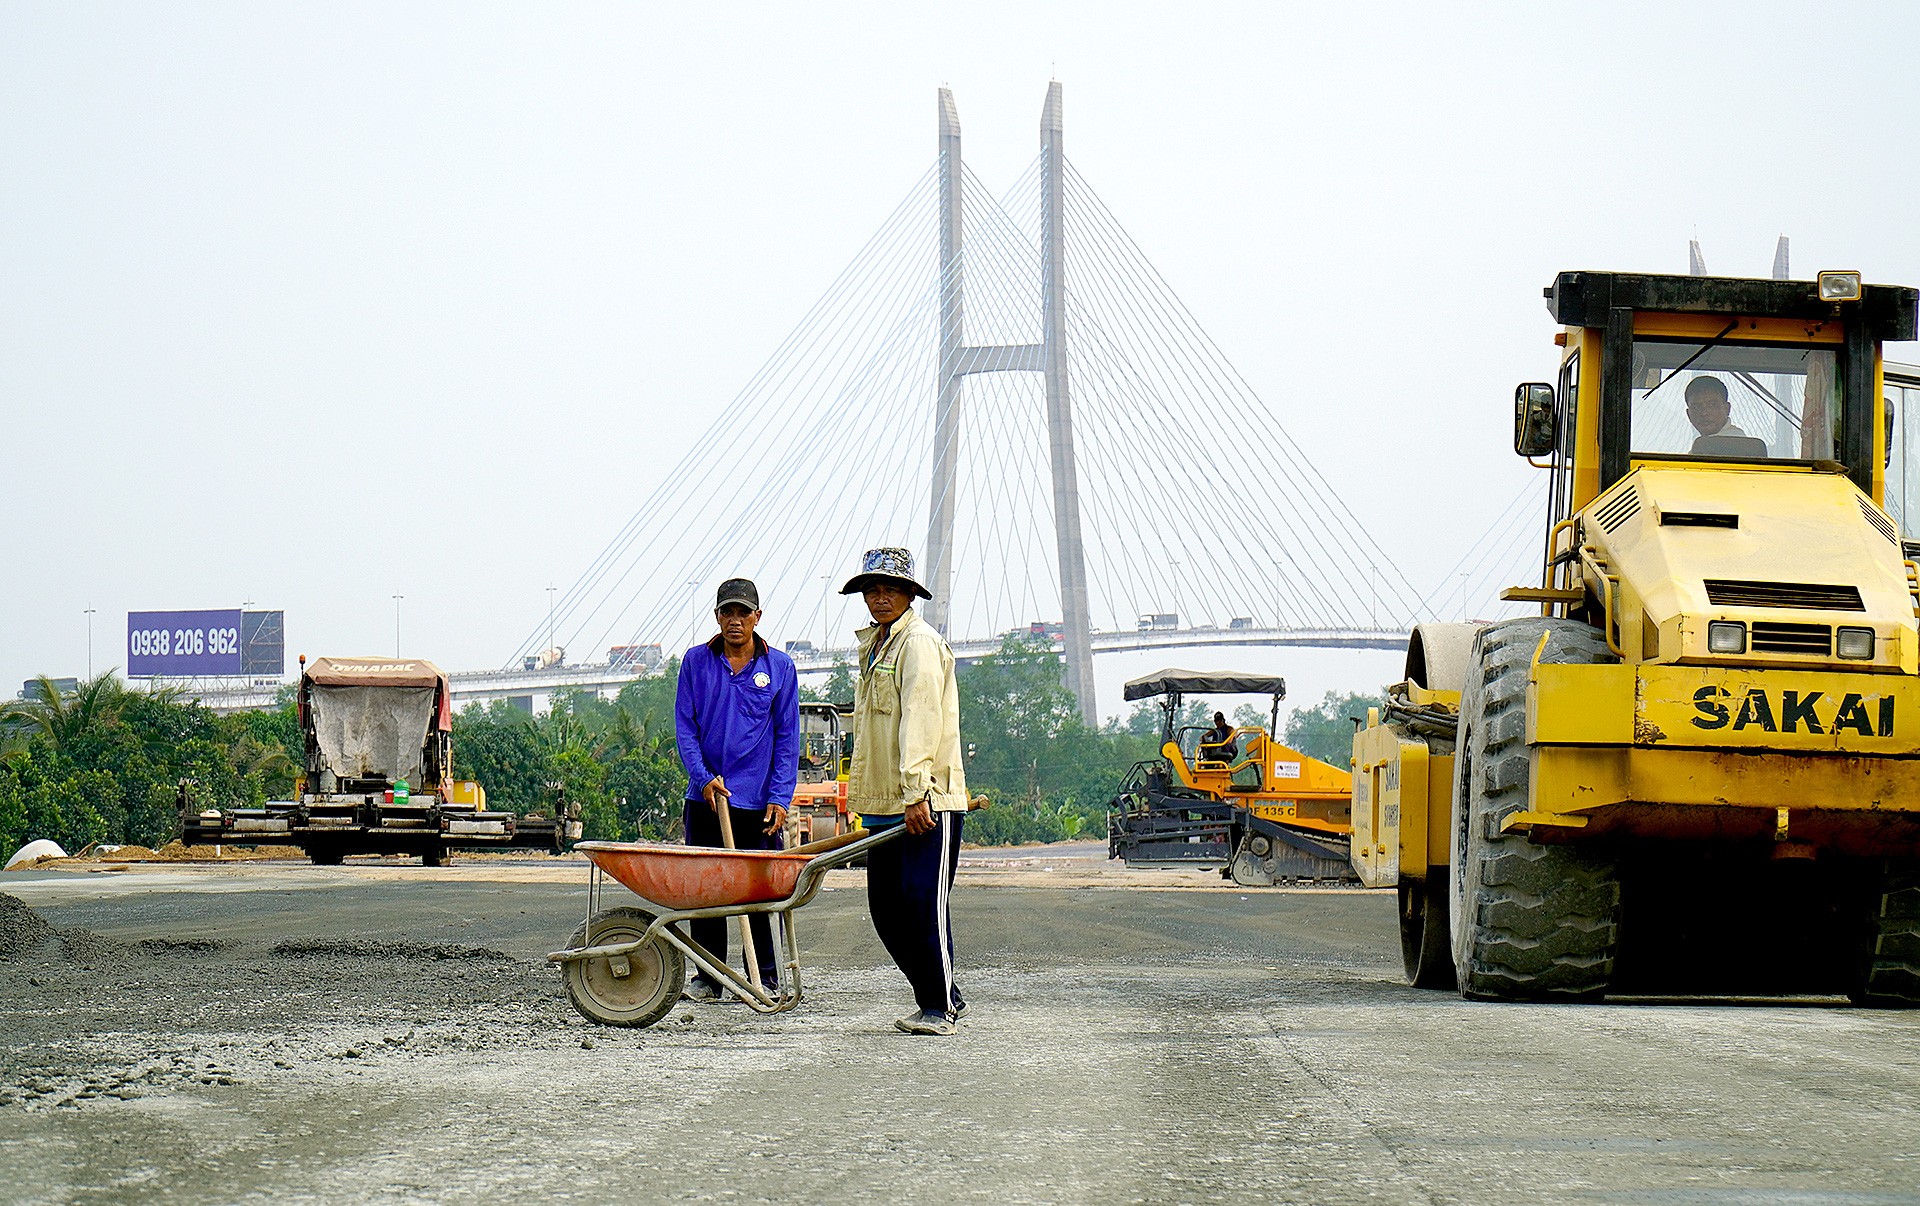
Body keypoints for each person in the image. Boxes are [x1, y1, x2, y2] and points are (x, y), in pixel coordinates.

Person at [841, 547, 970, 1036]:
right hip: (884, 802)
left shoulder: (917, 643)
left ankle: (938, 1007)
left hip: (925, 801)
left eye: (889, 589)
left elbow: (921, 720)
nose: (879, 598)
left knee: (922, 903)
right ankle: (943, 993)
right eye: (871, 590)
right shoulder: (877, 645)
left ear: (909, 594)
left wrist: (917, 793)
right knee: (886, 910)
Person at [674, 577, 799, 999]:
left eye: (743, 612)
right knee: (708, 891)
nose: (735, 620)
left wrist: (780, 797)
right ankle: (709, 977)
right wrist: (702, 776)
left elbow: (787, 738)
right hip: (706, 796)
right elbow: (685, 728)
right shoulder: (695, 662)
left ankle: (765, 977)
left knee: (758, 893)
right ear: (717, 616)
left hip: (757, 803)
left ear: (757, 618)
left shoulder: (779, 667)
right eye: (727, 612)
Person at [1684, 376, 1747, 445]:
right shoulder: (1701, 446)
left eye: (1712, 405)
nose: (1704, 413)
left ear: (1727, 409)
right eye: (1696, 407)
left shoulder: (1736, 442)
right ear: (1688, 414)